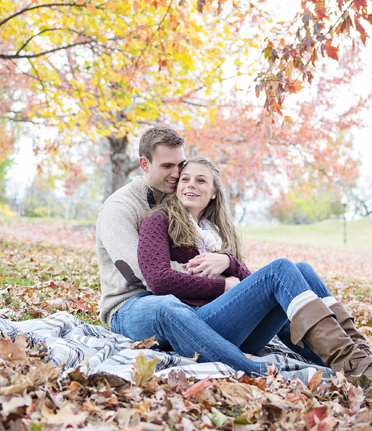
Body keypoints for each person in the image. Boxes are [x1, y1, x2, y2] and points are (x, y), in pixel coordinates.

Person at [137, 156, 372, 387]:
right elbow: (158, 280)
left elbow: (253, 286)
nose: (191, 185)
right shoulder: (158, 221)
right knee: (281, 270)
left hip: (237, 327)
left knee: (302, 270)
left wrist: (228, 263)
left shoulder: (216, 231)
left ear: (213, 193)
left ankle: (367, 360)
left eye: (201, 180)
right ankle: (358, 367)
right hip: (201, 324)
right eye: (185, 179)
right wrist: (223, 287)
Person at [96, 126, 276, 375]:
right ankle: (254, 372)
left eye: (179, 165)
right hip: (130, 306)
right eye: (167, 166)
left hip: (183, 301)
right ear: (144, 164)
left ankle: (333, 353)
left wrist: (226, 267)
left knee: (274, 289)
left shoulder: (182, 204)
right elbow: (142, 276)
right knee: (166, 305)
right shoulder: (120, 207)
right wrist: (219, 281)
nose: (177, 174)